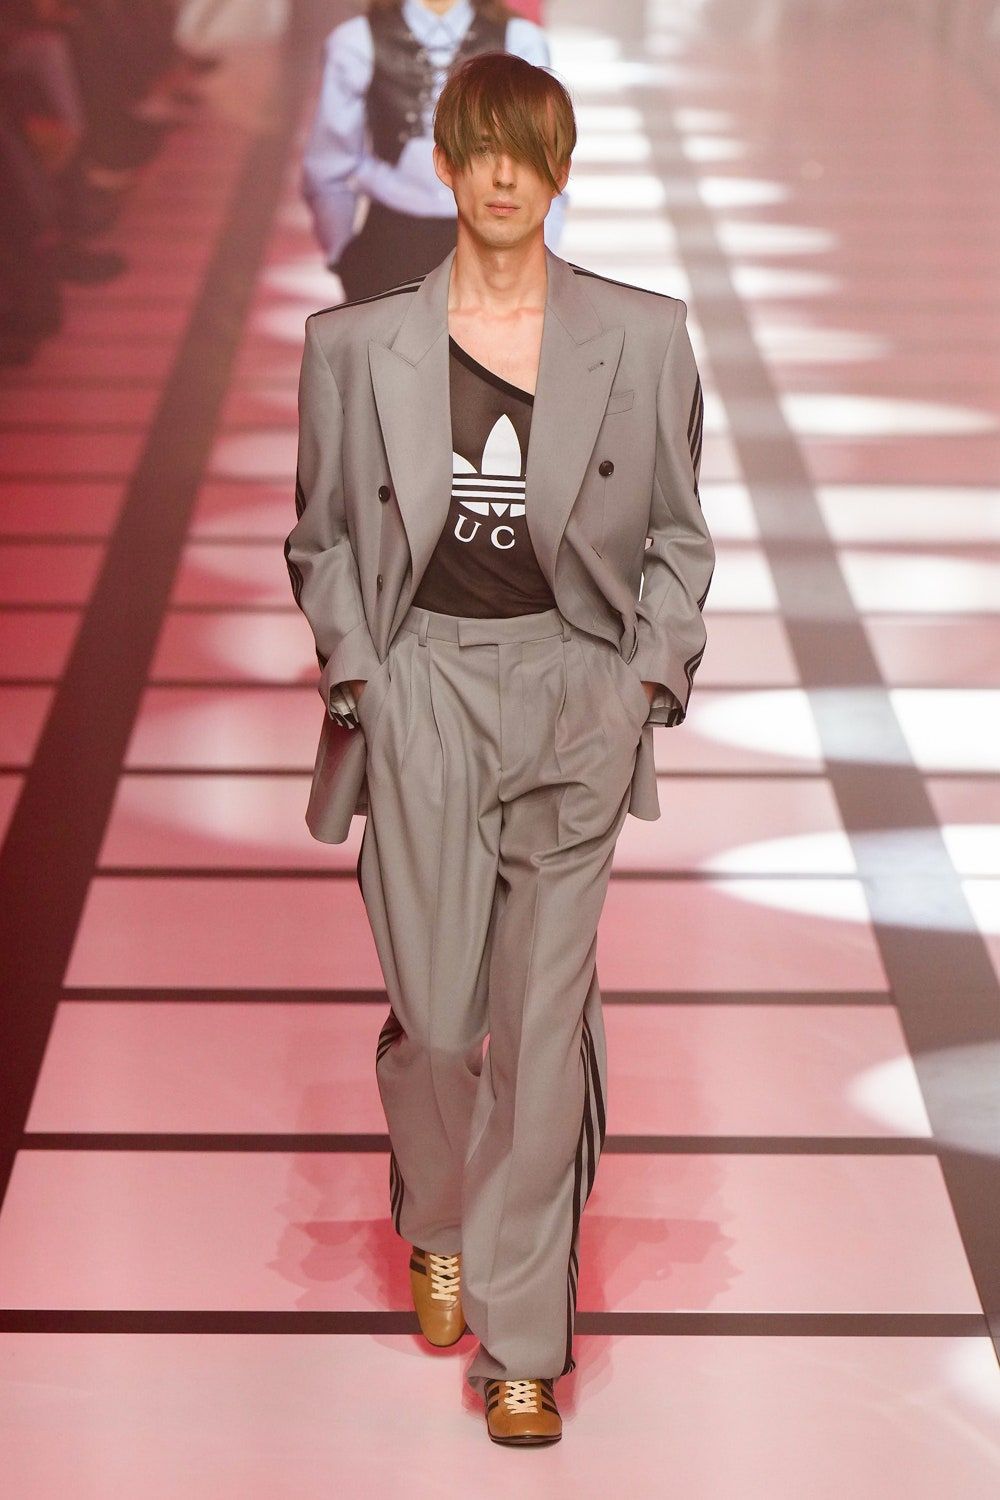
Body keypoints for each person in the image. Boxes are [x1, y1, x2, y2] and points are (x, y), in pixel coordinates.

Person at [285, 51, 714, 1445]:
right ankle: (437, 1212)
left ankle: (523, 1345)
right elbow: (322, 539)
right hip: (422, 687)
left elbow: (677, 537)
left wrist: (638, 687)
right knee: (437, 1020)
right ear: (447, 163)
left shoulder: (640, 338)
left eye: (527, 153)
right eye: (480, 150)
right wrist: (361, 676)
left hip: (570, 687)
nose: (502, 177)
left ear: (559, 168)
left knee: (536, 1026)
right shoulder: (355, 348)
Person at [301, 0, 563, 301]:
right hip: (389, 242)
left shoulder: (519, 40)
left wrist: (542, 257)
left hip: (492, 236)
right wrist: (343, 254)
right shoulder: (355, 41)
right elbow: (328, 165)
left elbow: (543, 160)